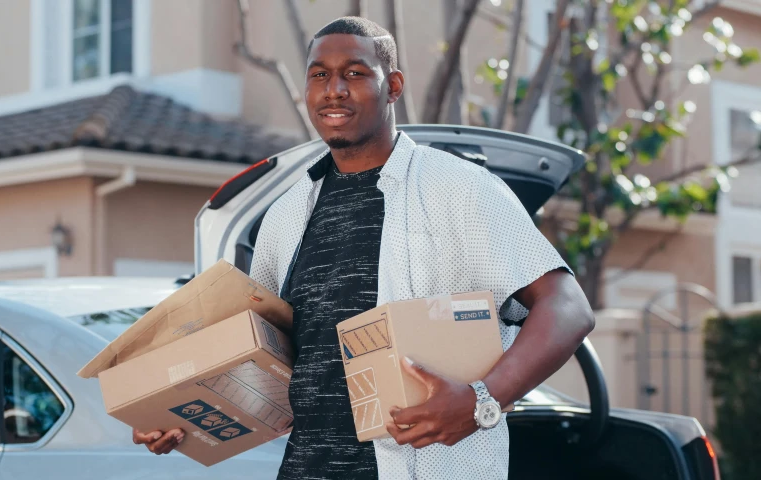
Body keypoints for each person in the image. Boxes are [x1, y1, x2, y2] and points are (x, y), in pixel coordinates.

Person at [133, 16, 595, 480]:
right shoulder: (287, 214)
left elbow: (568, 308)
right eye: (319, 75)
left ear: (392, 85)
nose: (334, 89)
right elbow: (262, 356)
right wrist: (180, 416)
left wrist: (482, 399)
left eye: (354, 72)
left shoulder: (458, 189)